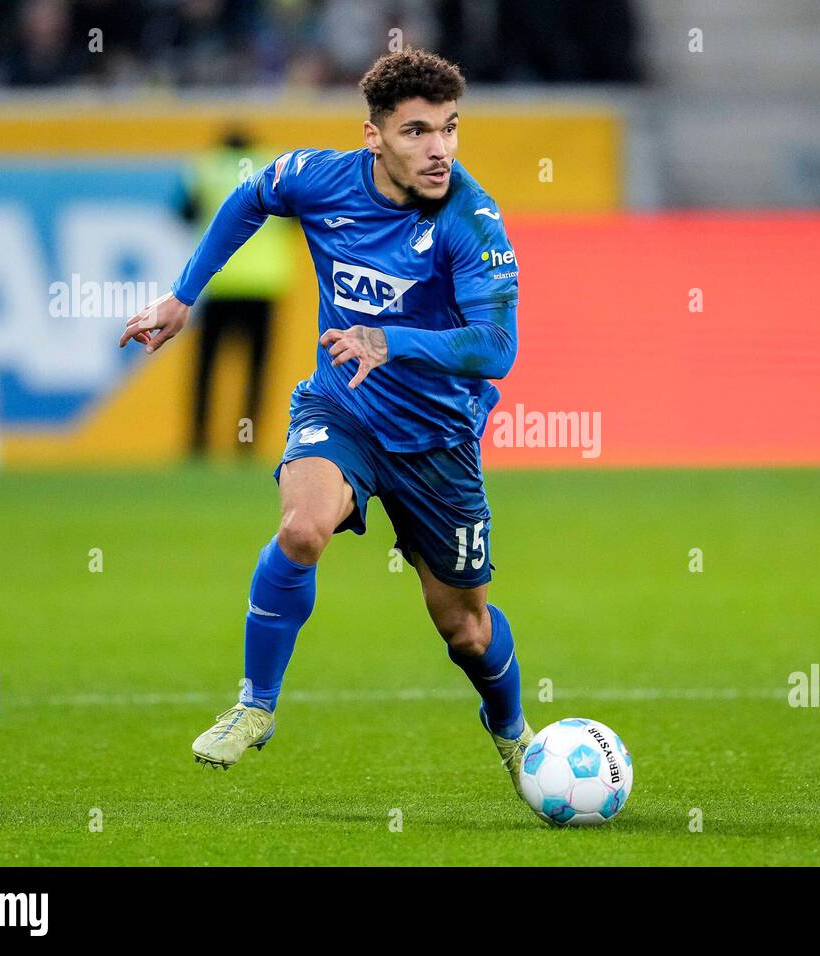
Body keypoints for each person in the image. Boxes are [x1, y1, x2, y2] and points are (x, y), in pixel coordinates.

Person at [119, 48, 531, 799]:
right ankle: (255, 705)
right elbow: (249, 198)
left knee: (465, 630)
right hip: (340, 408)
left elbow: (496, 348)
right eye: (416, 132)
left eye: (449, 129)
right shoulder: (320, 178)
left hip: (438, 441)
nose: (438, 149)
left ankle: (511, 731)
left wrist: (389, 339)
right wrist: (183, 296)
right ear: (373, 137)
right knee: (303, 528)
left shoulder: (471, 220)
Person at [182, 129, 296, 457]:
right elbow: (295, 220)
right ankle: (244, 443)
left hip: (219, 284)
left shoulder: (205, 167)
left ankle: (198, 443)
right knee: (255, 372)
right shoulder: (273, 167)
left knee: (206, 369)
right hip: (264, 286)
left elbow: (183, 214)